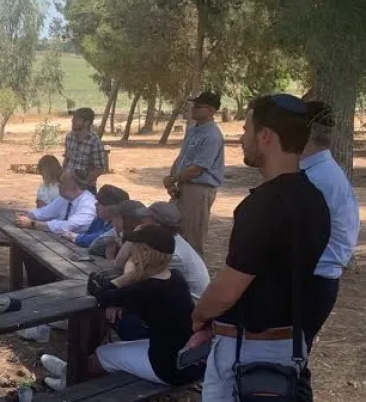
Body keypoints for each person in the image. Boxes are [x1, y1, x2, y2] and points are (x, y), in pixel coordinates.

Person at [190, 94, 330, 402]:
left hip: (246, 350)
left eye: (246, 129)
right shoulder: (316, 200)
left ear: (265, 136)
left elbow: (227, 290)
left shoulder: (262, 206)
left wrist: (199, 315)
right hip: (289, 346)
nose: (241, 138)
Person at [38, 225, 202, 391]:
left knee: (103, 354)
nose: (131, 253)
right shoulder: (175, 277)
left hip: (169, 368)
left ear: (145, 252)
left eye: (133, 249)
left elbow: (101, 293)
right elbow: (129, 295)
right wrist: (120, 300)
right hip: (186, 357)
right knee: (113, 348)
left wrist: (127, 278)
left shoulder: (147, 288)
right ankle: (69, 370)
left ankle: (70, 381)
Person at [300, 101, 360, 347]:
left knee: (288, 363)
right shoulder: (324, 171)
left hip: (313, 281)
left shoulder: (316, 178)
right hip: (319, 279)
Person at [164, 91, 225, 257]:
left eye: (199, 106)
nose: (194, 109)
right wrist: (172, 179)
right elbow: (182, 157)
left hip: (199, 188)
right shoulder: (192, 129)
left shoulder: (212, 136)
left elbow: (198, 168)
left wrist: (174, 179)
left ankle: (196, 278)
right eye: (194, 106)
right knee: (177, 231)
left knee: (193, 237)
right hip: (185, 186)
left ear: (212, 110)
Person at [113, 202, 209, 301]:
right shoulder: (166, 240)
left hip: (188, 306)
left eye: (145, 218)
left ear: (156, 224)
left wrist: (137, 234)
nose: (141, 221)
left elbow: (125, 270)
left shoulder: (169, 252)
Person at [16, 169, 97, 236]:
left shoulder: (88, 204)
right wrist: (26, 216)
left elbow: (68, 226)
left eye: (62, 182)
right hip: (63, 243)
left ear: (73, 185)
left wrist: (32, 224)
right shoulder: (64, 198)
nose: (58, 185)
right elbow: (45, 212)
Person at [57, 184, 128, 247]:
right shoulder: (100, 219)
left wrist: (73, 236)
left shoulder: (118, 224)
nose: (96, 204)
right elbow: (89, 234)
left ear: (110, 206)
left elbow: (95, 240)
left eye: (100, 203)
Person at [63, 108, 107, 192]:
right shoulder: (69, 137)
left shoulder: (95, 142)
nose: (73, 121)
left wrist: (84, 181)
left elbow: (100, 169)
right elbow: (67, 158)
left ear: (86, 123)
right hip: (68, 185)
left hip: (85, 188)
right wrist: (63, 176)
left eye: (77, 118)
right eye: (73, 118)